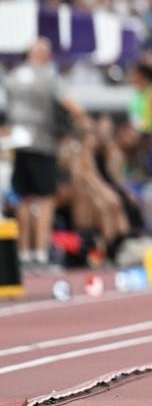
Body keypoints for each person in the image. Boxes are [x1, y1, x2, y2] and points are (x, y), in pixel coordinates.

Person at [2, 39, 84, 269]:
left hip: (17, 145)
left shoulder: (13, 77)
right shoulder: (50, 77)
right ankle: (40, 252)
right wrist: (77, 126)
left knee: (23, 199)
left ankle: (23, 253)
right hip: (42, 144)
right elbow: (72, 106)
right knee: (45, 200)